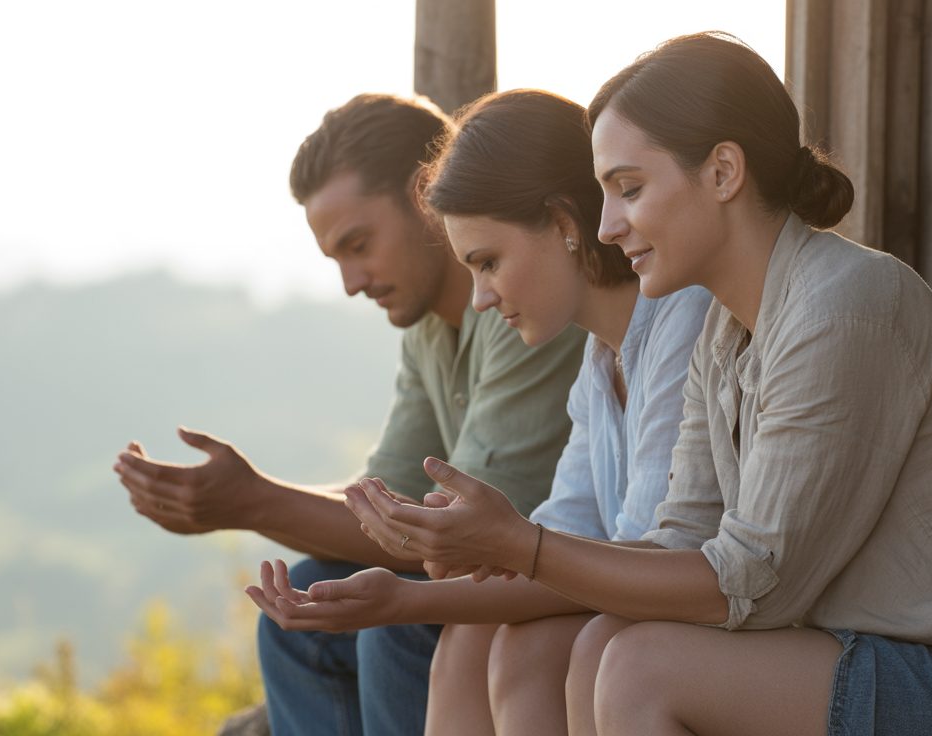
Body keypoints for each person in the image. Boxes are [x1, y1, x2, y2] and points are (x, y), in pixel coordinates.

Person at [341, 33, 932, 736]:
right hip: (879, 660)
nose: (607, 225)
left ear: (722, 171)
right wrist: (481, 560)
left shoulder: (843, 305)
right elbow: (676, 542)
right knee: (608, 642)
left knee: (643, 667)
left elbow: (751, 586)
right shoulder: (726, 331)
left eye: (630, 187)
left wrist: (522, 546)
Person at [112, 93, 586, 736]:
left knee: (391, 632)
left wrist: (250, 503)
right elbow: (380, 502)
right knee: (304, 603)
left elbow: (451, 538)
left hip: (545, 583)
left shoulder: (525, 310)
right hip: (495, 576)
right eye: (336, 258)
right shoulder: (428, 330)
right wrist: (241, 497)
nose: (351, 282)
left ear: (426, 197)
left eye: (359, 245)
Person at [245, 88, 711, 736]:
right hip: (637, 604)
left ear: (565, 225)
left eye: (489, 263)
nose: (483, 298)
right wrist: (423, 575)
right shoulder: (600, 365)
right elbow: (565, 530)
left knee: (478, 638)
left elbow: (640, 556)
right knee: (472, 633)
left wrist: (415, 591)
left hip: (715, 622)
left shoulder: (679, 326)